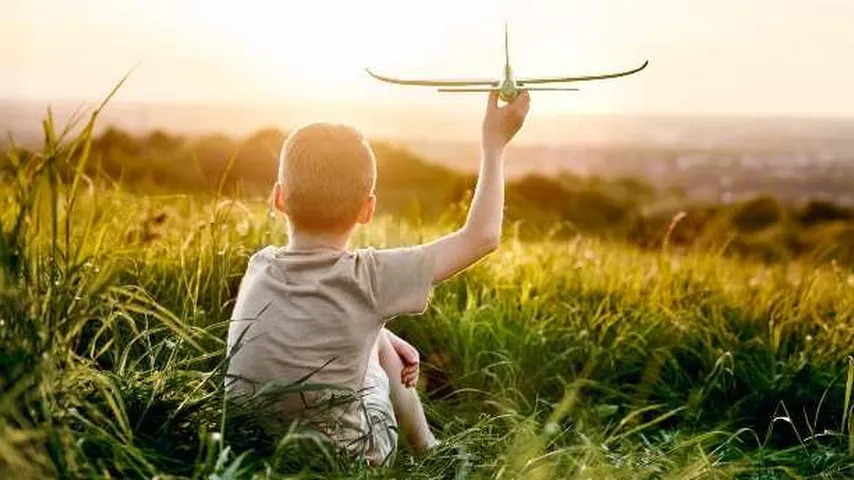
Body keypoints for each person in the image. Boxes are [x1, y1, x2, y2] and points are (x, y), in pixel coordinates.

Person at [225, 90, 530, 466]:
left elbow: (322, 311)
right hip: (346, 460)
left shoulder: (261, 265)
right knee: (381, 345)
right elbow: (482, 237)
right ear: (368, 209)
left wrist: (379, 332)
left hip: (247, 449)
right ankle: (430, 452)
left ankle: (392, 369)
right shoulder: (368, 278)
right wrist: (494, 144)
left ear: (278, 198)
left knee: (377, 335)